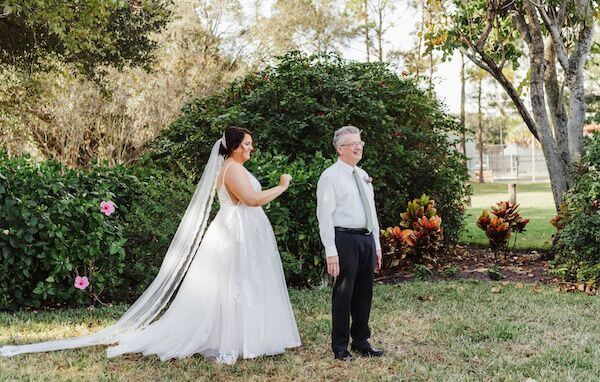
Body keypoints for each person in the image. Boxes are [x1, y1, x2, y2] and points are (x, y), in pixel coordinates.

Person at [1, 127, 301, 365]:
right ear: (235, 146)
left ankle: (243, 336)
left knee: (239, 284)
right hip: (236, 233)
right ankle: (237, 340)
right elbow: (250, 200)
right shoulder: (233, 169)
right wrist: (282, 186)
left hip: (240, 231)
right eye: (247, 143)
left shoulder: (232, 166)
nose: (251, 148)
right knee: (235, 283)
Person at [316, 125, 384, 361]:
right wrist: (331, 251)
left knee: (365, 292)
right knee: (344, 294)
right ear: (339, 149)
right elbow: (324, 216)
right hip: (344, 239)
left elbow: (371, 213)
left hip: (365, 239)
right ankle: (340, 346)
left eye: (360, 143)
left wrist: (376, 245)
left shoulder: (363, 175)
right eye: (353, 143)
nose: (358, 147)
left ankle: (362, 341)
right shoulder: (330, 177)